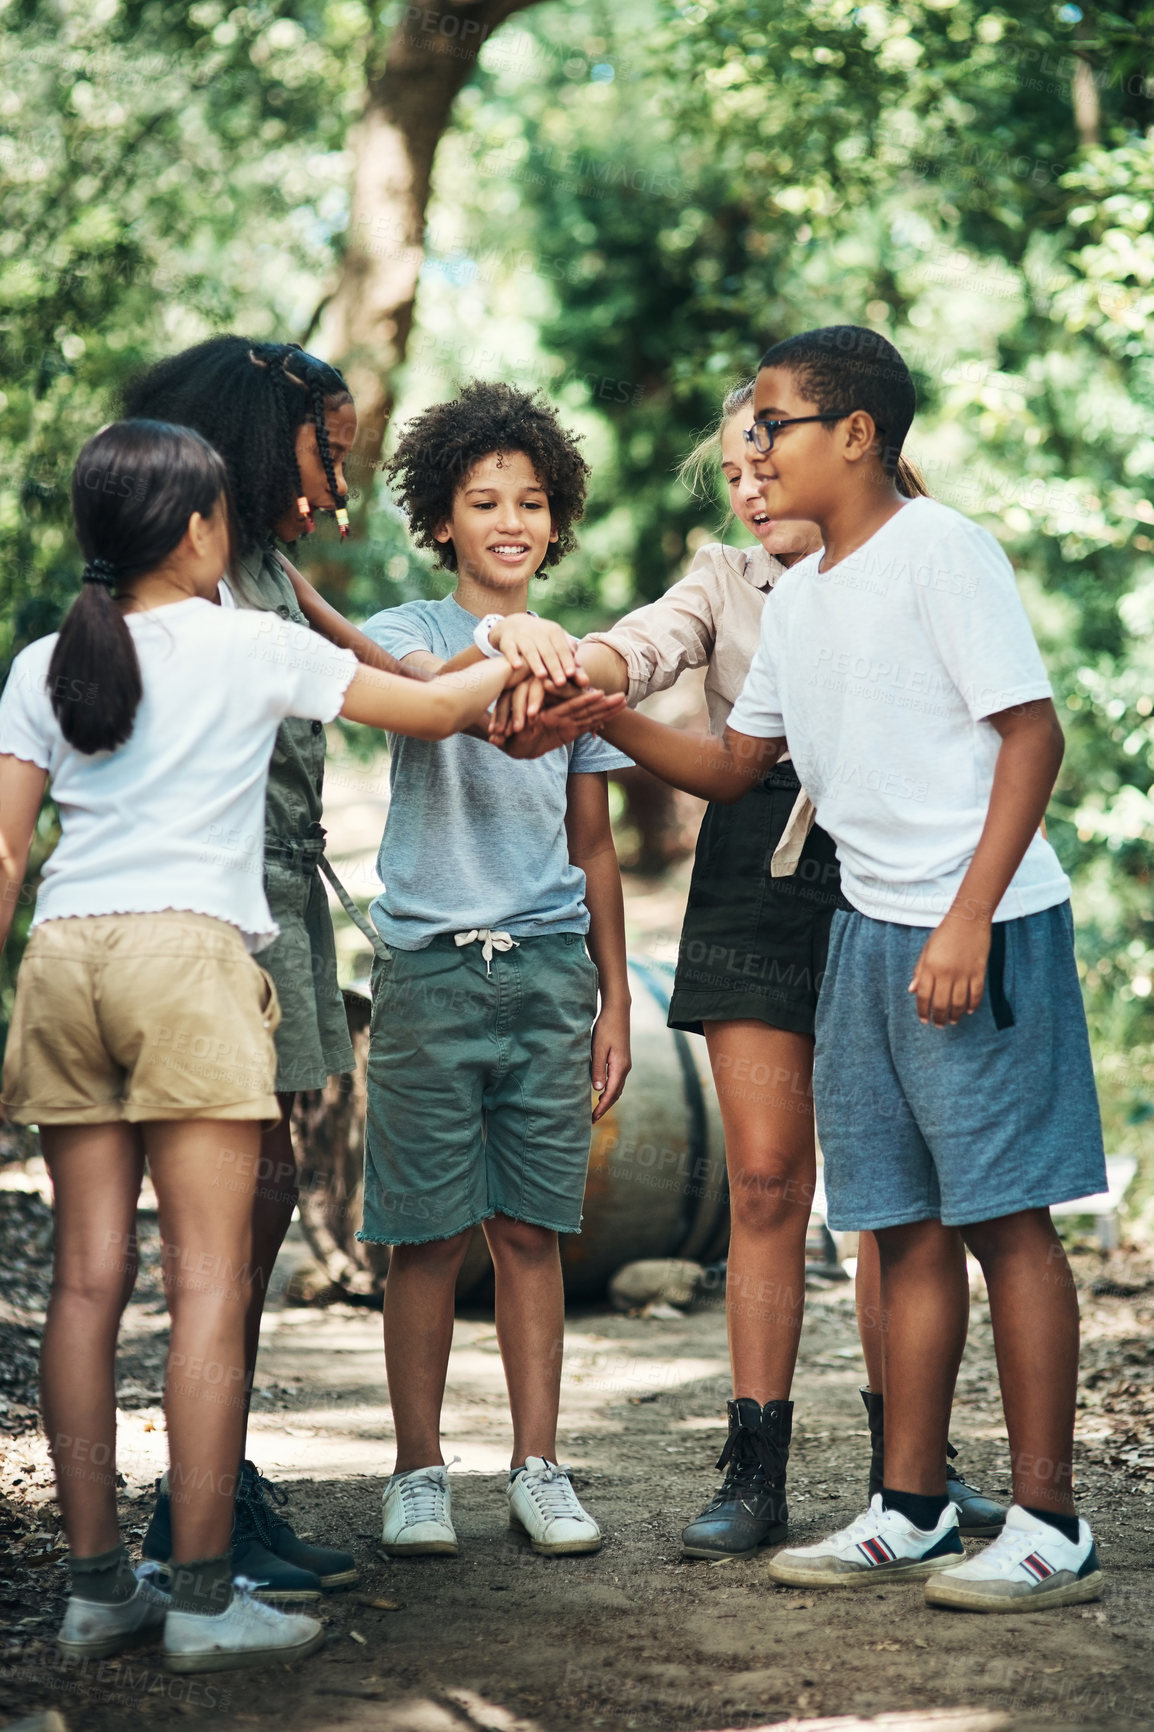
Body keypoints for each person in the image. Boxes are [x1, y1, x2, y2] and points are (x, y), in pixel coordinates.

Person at [594, 326, 1106, 1613]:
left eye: (773, 422)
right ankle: (909, 1503)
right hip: (865, 933)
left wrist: (966, 917)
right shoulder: (802, 596)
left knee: (1003, 1221)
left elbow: (1029, 739)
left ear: (856, 435)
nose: (750, 447)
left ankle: (1048, 1519)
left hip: (973, 929)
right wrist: (596, 715)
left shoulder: (942, 553)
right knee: (890, 1222)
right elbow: (731, 768)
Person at [0, 421, 519, 1669]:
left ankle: (92, 1587)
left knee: (82, 1286)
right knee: (210, 1285)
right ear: (193, 532)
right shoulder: (247, 643)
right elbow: (440, 708)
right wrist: (506, 645)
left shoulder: (41, 663)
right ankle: (198, 1590)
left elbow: (9, 854)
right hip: (191, 965)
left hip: (64, 960)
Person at [497, 382, 1004, 1557]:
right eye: (730, 469)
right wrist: (579, 664)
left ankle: (910, 1467)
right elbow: (644, 643)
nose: (748, 484)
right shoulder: (723, 581)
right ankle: (754, 1463)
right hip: (755, 875)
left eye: (763, 458)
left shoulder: (915, 559)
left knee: (896, 1193)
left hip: (900, 858)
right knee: (768, 1183)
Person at [358, 381, 632, 1559]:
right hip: (425, 970)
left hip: (548, 968)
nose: (509, 520)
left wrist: (616, 998)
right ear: (441, 519)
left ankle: (538, 1463)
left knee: (529, 1229)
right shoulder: (413, 631)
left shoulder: (585, 657)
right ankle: (418, 1473)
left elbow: (592, 841)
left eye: (530, 501)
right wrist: (497, 645)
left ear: (557, 520)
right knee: (421, 1233)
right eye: (483, 500)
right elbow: (422, 705)